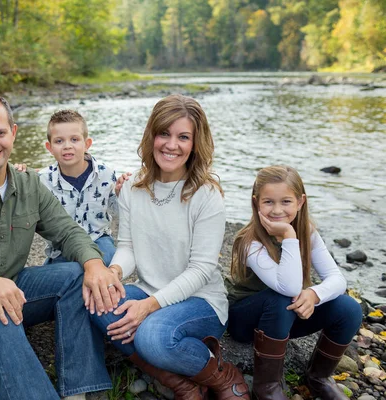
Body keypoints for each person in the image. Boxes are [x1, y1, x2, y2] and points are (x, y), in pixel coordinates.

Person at [0, 90, 124, 400]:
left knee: (75, 274)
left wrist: (94, 264)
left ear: (13, 133)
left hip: (17, 289)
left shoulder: (29, 184)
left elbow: (67, 231)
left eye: (0, 133)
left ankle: (77, 392)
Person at [91, 94, 250, 400]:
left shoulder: (206, 195)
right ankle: (180, 383)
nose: (171, 145)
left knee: (153, 336)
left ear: (195, 143)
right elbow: (127, 247)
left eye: (183, 137)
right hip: (150, 289)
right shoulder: (134, 186)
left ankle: (219, 375)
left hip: (201, 301)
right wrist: (113, 271)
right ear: (152, 135)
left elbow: (202, 269)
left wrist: (149, 307)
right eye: (164, 133)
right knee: (98, 301)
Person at [227, 165, 363, 400]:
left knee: (349, 308)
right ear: (256, 202)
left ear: (300, 202)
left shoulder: (307, 232)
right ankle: (267, 388)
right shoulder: (250, 241)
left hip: (282, 320)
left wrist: (314, 295)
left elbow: (338, 279)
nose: (277, 210)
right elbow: (287, 287)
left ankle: (318, 377)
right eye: (268, 202)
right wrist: (289, 236)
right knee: (282, 298)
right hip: (245, 319)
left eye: (286, 202)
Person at [39, 109, 117, 266]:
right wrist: (19, 172)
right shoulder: (42, 180)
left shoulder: (105, 174)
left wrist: (124, 192)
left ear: (87, 144)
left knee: (106, 259)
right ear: (49, 147)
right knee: (68, 271)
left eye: (74, 139)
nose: (67, 146)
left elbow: (119, 209)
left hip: (98, 238)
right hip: (61, 246)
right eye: (59, 141)